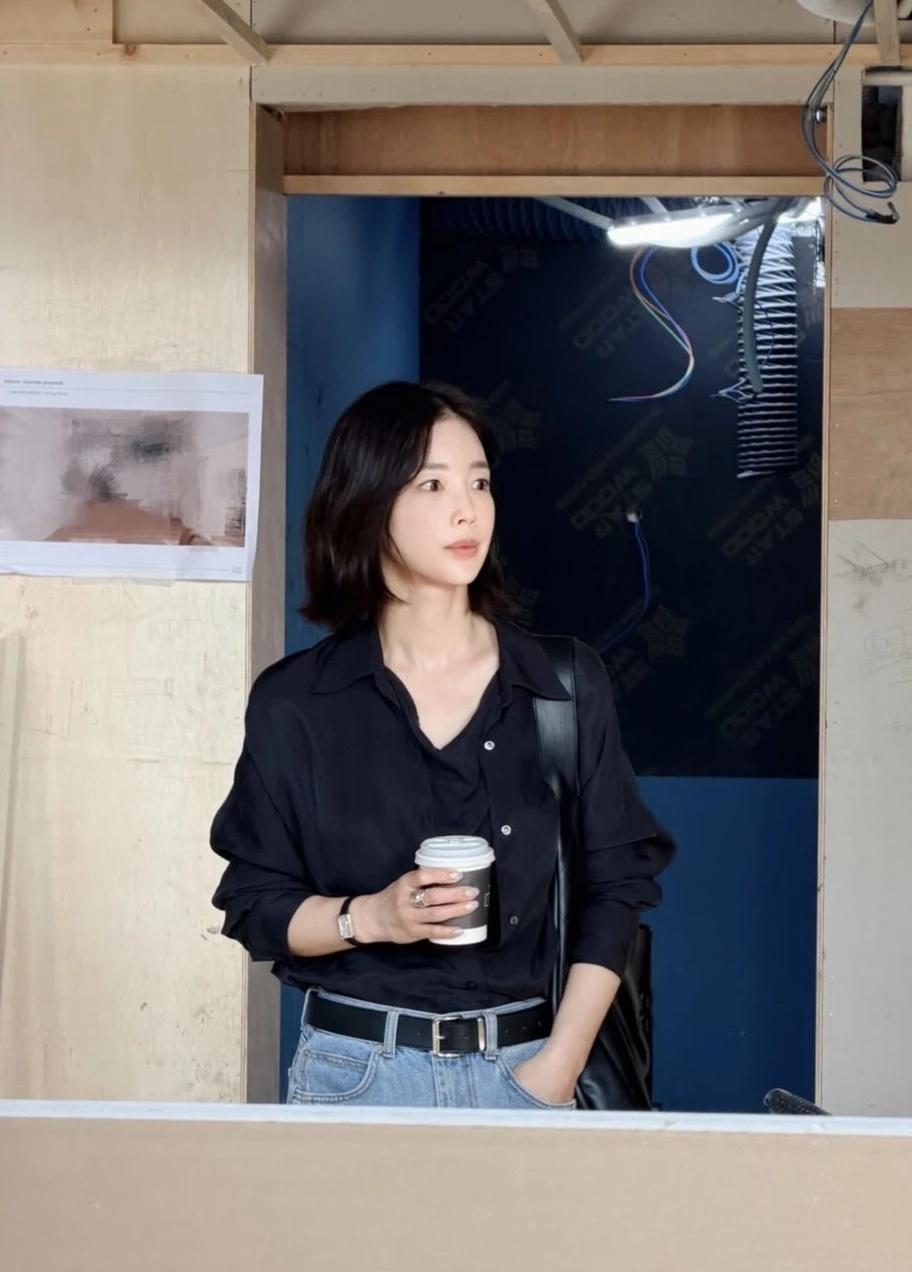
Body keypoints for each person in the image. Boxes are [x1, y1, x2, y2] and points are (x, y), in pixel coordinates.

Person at [210, 381, 674, 1111]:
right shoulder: (296, 701)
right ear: (367, 504)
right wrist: (371, 917)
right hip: (355, 1075)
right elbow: (255, 904)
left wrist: (558, 1066)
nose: (468, 510)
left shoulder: (562, 684)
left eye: (479, 483)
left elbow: (618, 887)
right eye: (433, 484)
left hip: (528, 1066)